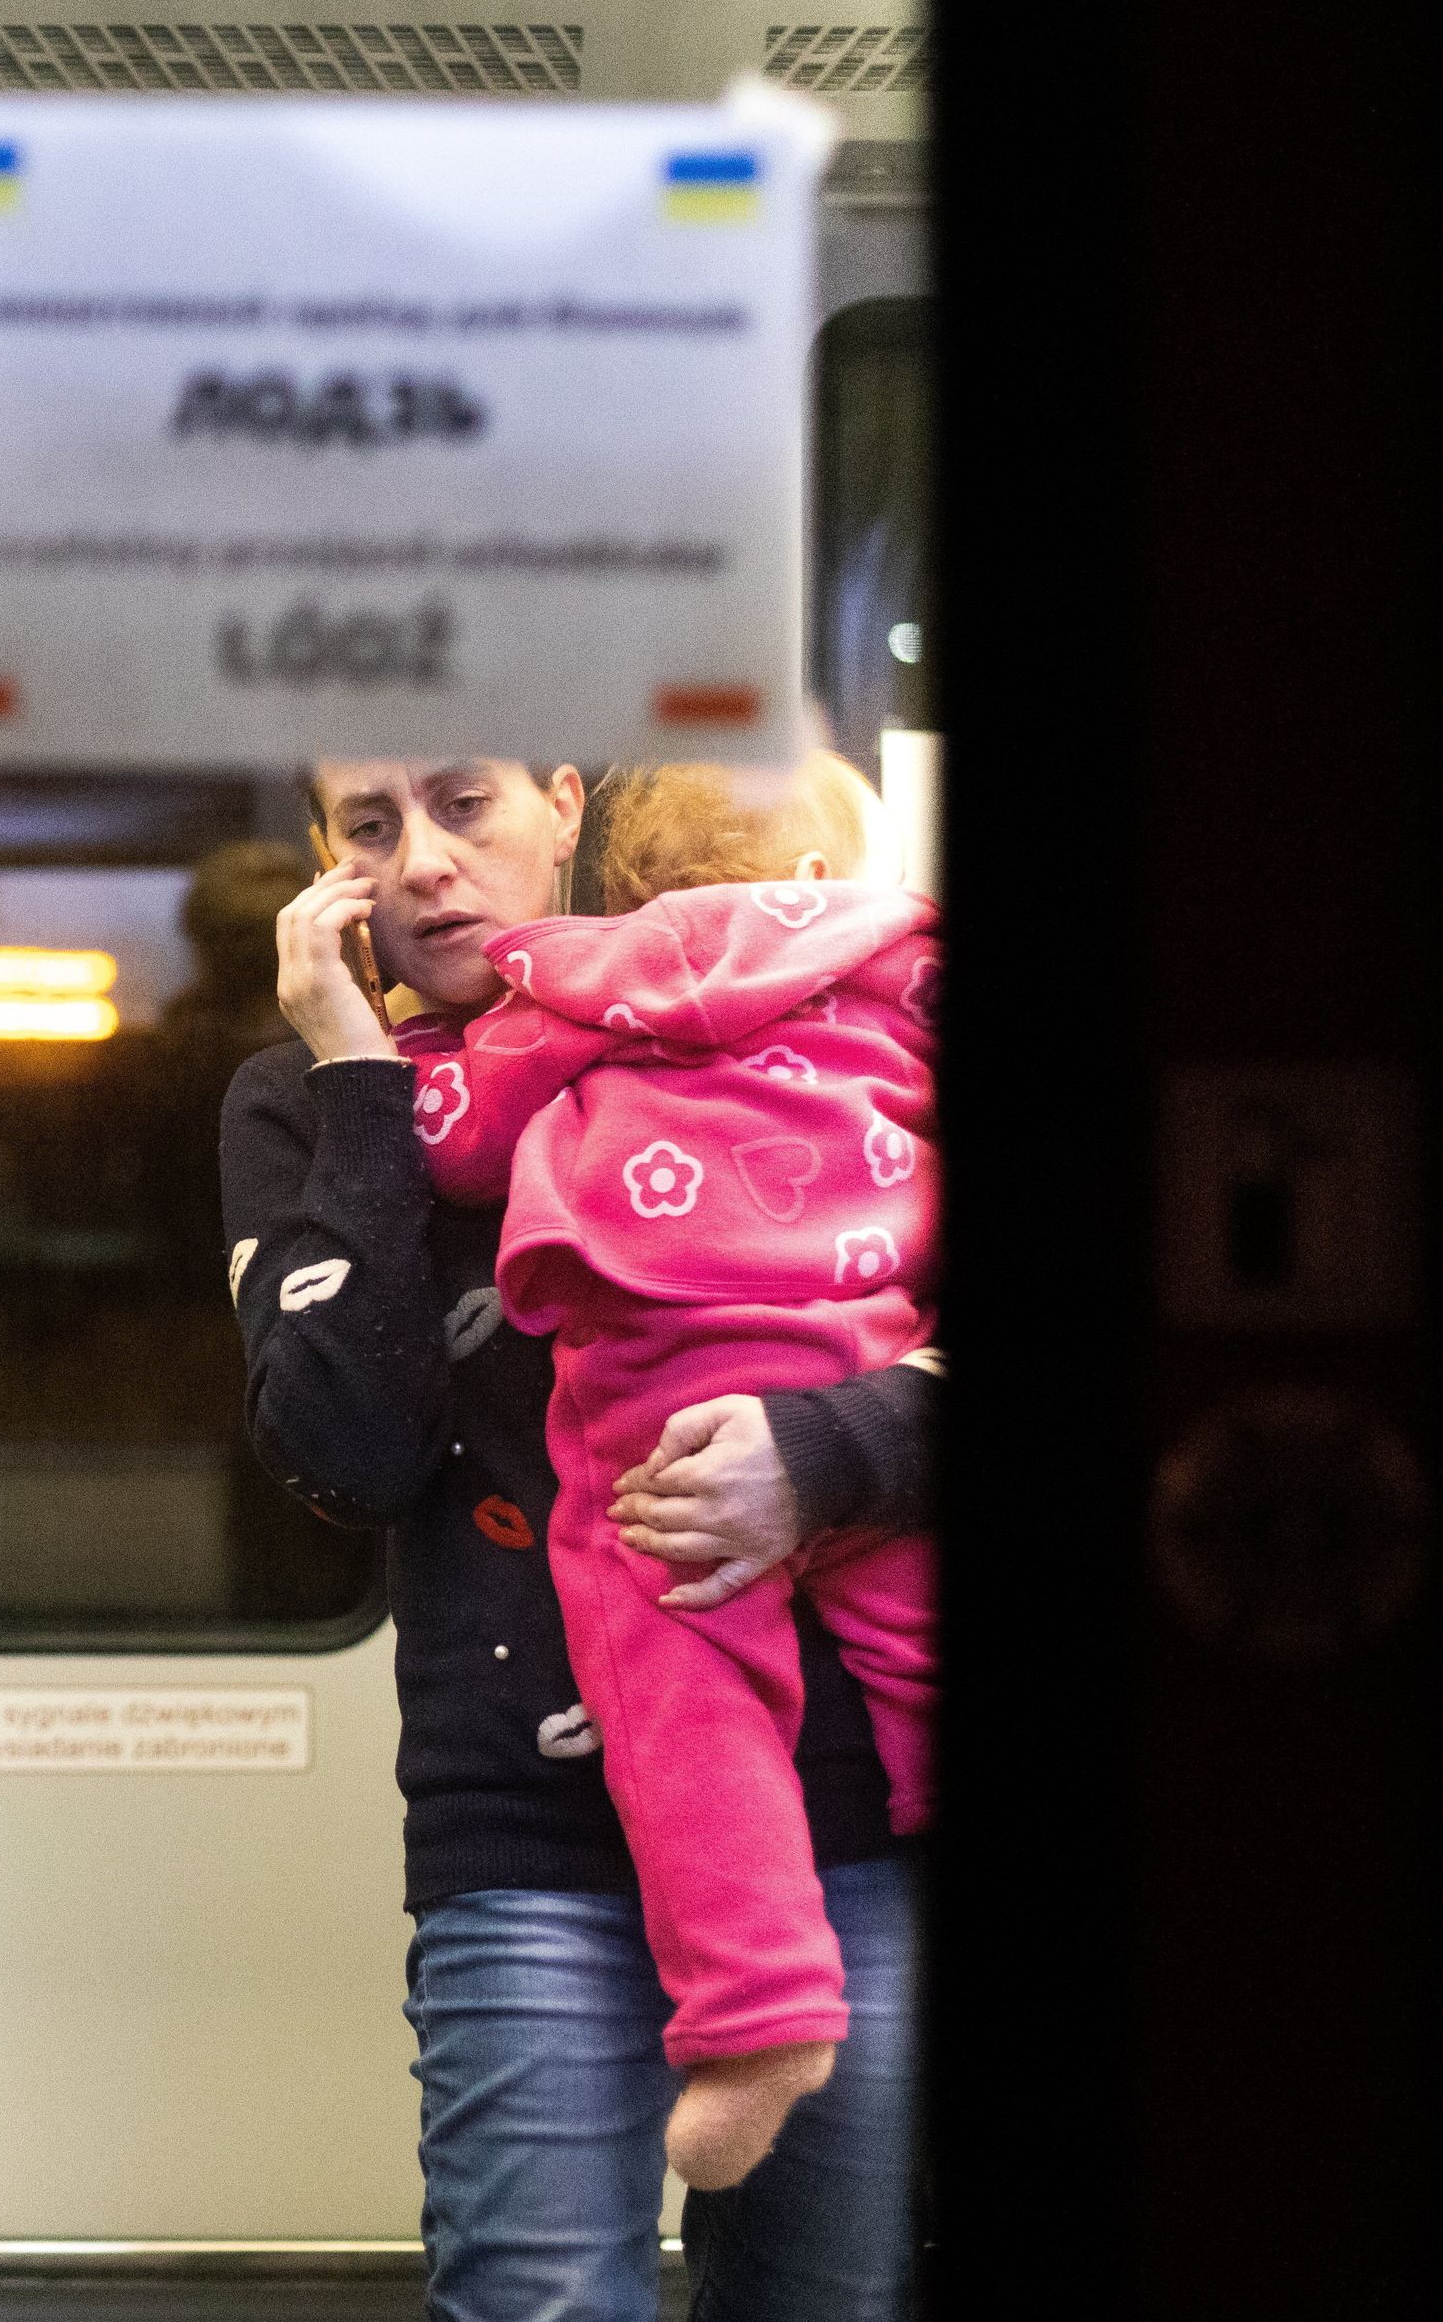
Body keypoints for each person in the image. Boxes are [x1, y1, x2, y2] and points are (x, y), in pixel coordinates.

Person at [221, 757, 933, 2322]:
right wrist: (359, 1081)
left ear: (564, 806)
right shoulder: (303, 1096)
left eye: (464, 805)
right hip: (524, 1843)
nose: (421, 865)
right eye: (370, 826)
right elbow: (342, 1454)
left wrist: (818, 1453)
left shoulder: (778, 995)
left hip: (837, 1823)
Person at [396, 755, 938, 2190]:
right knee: (918, 1651)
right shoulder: (896, 959)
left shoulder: (594, 985)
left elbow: (457, 1147)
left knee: (683, 1682)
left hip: (672, 1412)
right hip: (862, 1342)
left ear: (614, 873)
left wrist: (372, 1056)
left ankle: (761, 2014)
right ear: (835, 872)